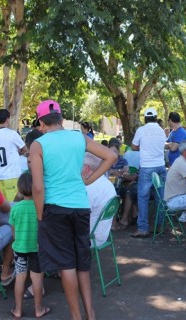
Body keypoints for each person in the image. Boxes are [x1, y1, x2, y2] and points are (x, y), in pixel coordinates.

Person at [30, 99, 117, 320]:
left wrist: (40, 215)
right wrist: (89, 180)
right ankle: (90, 313)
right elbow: (111, 156)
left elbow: (38, 187)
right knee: (82, 263)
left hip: (54, 209)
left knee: (66, 264)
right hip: (80, 206)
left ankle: (76, 316)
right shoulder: (79, 137)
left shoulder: (38, 145)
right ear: (60, 118)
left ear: (41, 122)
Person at [9, 172, 50, 319]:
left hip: (19, 249)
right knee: (37, 279)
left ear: (19, 190)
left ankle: (18, 310)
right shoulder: (42, 207)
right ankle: (39, 309)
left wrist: (18, 241)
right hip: (37, 249)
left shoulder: (15, 208)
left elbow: (13, 232)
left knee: (20, 278)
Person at [130, 107, 166, 238]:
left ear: (145, 118)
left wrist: (143, 146)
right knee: (160, 197)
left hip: (146, 167)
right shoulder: (161, 131)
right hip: (161, 167)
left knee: (143, 198)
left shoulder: (141, 130)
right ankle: (160, 225)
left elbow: (134, 147)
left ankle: (143, 228)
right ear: (156, 117)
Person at [0, 109, 28, 201]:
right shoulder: (12, 134)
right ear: (8, 119)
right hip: (11, 175)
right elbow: (25, 150)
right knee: (13, 204)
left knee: (1, 206)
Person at [82, 153, 117, 246]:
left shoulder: (89, 188)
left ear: (86, 168)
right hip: (103, 234)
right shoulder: (105, 182)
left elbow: (79, 217)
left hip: (90, 238)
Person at [164, 140, 186, 223]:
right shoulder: (182, 163)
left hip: (175, 198)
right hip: (174, 201)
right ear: (184, 151)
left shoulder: (181, 161)